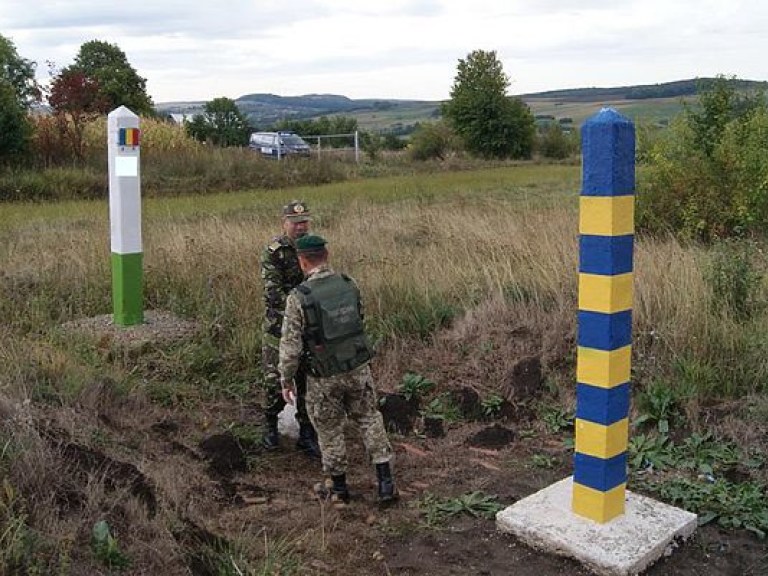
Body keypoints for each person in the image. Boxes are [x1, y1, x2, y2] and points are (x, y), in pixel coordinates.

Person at [278, 234, 397, 505]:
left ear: (301, 261)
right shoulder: (348, 284)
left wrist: (286, 379)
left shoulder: (299, 297)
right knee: (369, 418)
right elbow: (359, 319)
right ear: (326, 255)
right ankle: (386, 483)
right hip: (357, 367)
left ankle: (339, 489)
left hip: (323, 375)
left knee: (330, 429)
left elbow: (290, 346)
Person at [260, 200, 320, 458]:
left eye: (304, 221)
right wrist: (301, 310)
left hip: (309, 329)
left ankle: (307, 434)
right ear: (284, 223)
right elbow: (273, 294)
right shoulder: (275, 251)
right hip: (280, 328)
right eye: (295, 222)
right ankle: (270, 428)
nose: (300, 226)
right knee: (274, 379)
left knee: (308, 381)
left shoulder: (314, 248)